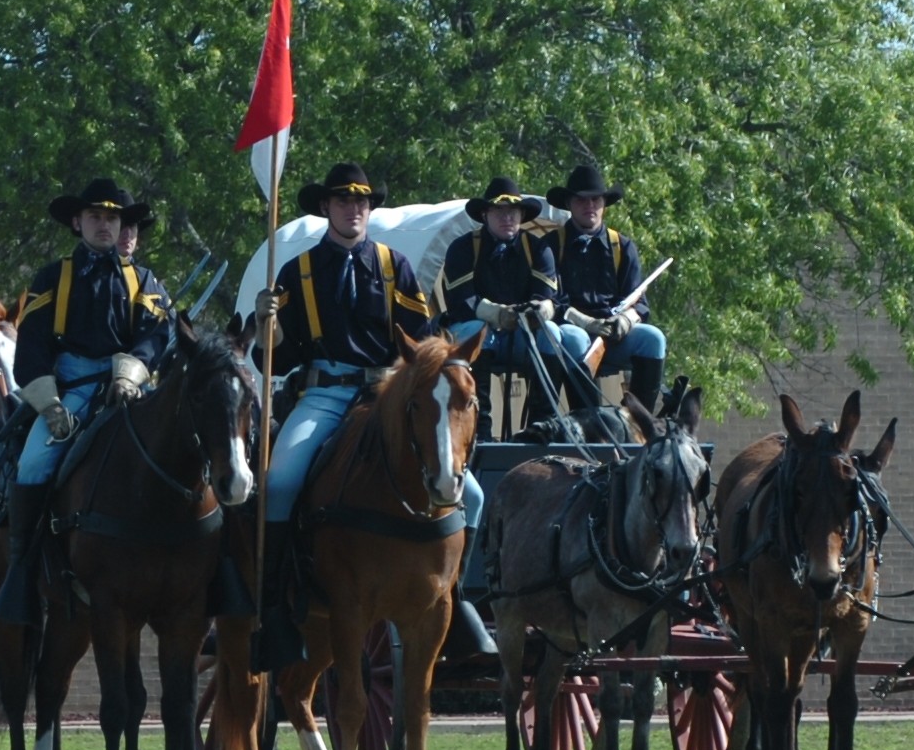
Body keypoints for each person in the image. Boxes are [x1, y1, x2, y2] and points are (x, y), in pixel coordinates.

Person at [245, 164, 488, 667]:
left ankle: (457, 596)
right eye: (342, 201)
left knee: (476, 494)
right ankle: (272, 607)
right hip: (324, 394)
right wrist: (267, 327)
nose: (353, 209)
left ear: (369, 209)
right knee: (281, 482)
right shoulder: (296, 273)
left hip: (388, 393)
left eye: (361, 202)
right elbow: (278, 361)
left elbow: (422, 338)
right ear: (326, 208)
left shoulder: (394, 264)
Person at [0, 177, 170, 623]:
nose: (105, 225)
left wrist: (131, 374)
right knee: (33, 463)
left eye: (112, 217)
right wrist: (49, 405)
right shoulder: (51, 278)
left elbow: (157, 338)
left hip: (129, 391)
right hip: (68, 393)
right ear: (78, 222)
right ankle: (21, 571)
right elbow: (31, 347)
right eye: (95, 216)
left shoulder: (146, 280)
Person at [437, 174, 592, 434]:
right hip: (479, 333)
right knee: (475, 329)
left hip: (523, 334)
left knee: (553, 333)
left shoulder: (538, 249)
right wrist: (497, 314)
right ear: (485, 214)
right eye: (499, 210)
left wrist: (539, 309)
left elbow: (547, 296)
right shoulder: (463, 248)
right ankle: (480, 425)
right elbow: (460, 301)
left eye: (513, 211)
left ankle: (541, 423)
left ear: (521, 215)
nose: (507, 217)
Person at [548, 162, 666, 410]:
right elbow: (551, 301)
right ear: (569, 204)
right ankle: (590, 424)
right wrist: (588, 323)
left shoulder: (622, 246)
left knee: (653, 339)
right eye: (581, 200)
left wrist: (624, 321)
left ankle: (637, 421)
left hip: (615, 335)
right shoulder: (549, 245)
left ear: (603, 204)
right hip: (571, 331)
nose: (589, 206)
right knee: (577, 339)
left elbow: (640, 303)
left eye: (595, 200)